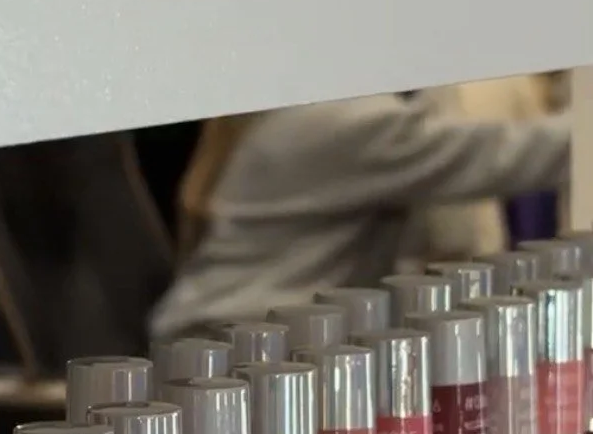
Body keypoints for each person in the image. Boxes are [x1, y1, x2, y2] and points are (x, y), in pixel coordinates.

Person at [151, 85, 570, 340]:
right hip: (241, 343)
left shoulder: (320, 109)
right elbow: (515, 155)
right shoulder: (345, 122)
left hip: (262, 335)